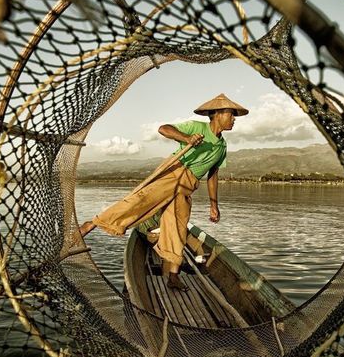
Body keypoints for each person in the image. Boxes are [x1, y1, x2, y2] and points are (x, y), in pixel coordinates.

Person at [79, 93, 248, 290]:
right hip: (173, 173)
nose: (234, 119)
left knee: (178, 228)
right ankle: (92, 224)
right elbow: (163, 129)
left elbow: (213, 175)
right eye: (230, 114)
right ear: (216, 114)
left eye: (234, 115)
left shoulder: (222, 146)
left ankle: (173, 277)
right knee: (138, 202)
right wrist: (187, 138)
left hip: (187, 186)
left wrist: (214, 205)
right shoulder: (198, 127)